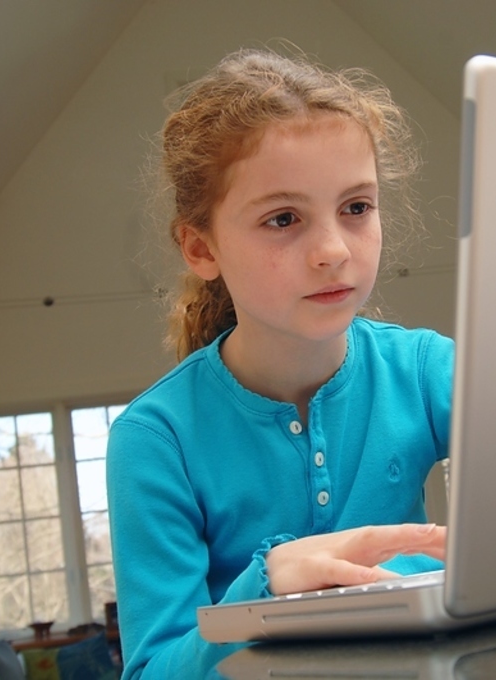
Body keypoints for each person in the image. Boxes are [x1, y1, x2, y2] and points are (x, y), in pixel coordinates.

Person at [106, 48, 454, 678]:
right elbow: (153, 669)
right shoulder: (155, 440)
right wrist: (267, 587)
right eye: (283, 218)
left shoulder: (427, 369)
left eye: (356, 207)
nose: (331, 250)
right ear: (199, 245)